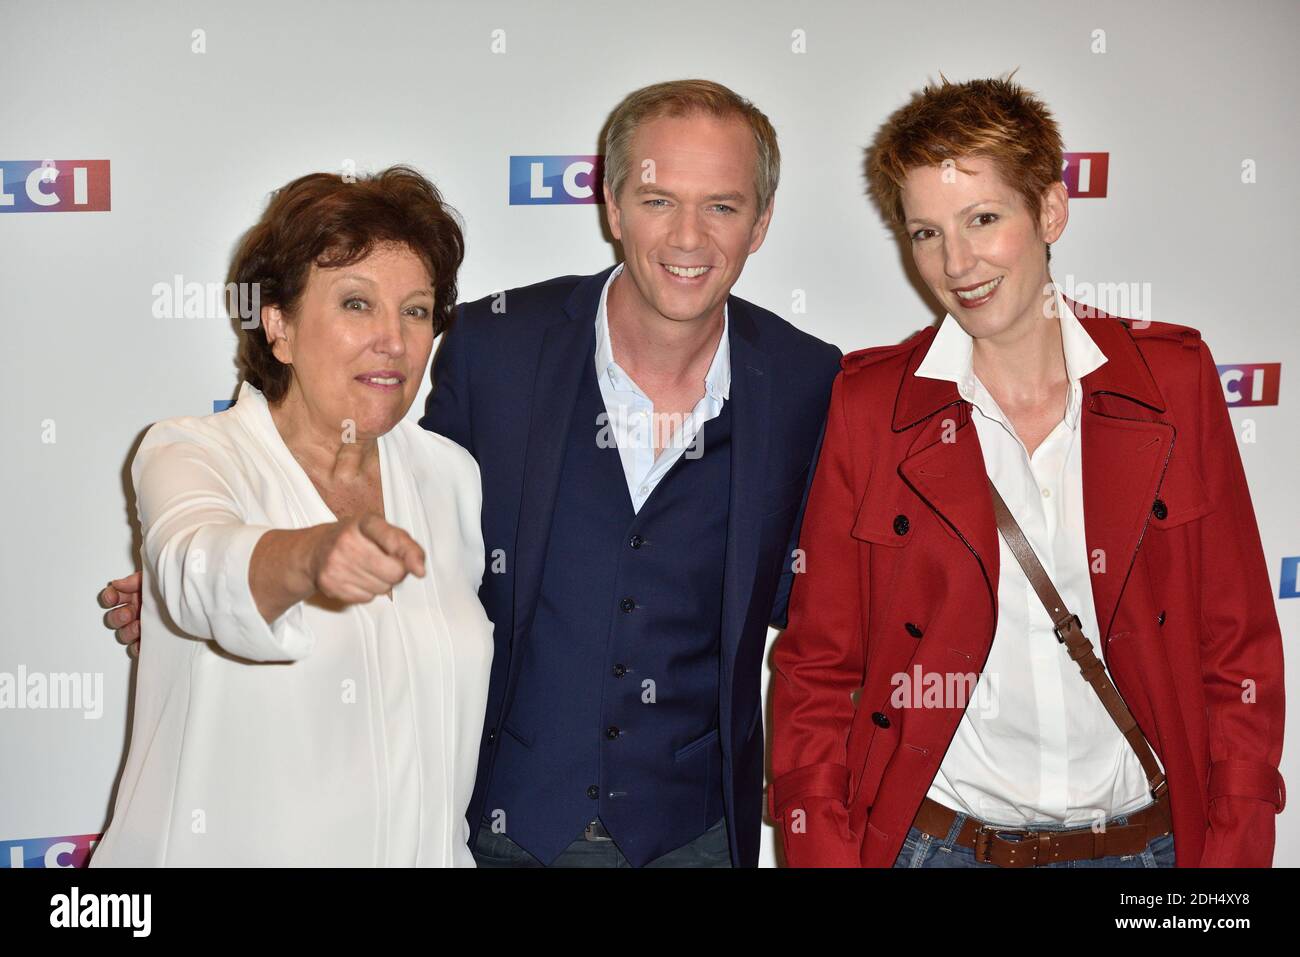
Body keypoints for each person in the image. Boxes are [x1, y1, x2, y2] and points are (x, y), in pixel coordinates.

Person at [111, 79, 842, 867]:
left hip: (691, 836)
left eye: (723, 206)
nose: (689, 236)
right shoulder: (499, 350)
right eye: (660, 199)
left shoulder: (806, 382)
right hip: (504, 830)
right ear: (613, 205)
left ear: (761, 221)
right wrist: (223, 584)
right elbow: (208, 561)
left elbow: (830, 602)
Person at [769, 75, 1286, 868]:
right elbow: (818, 664)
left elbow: (1237, 641)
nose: (957, 262)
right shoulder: (873, 406)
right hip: (938, 848)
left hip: (1146, 851)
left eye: (983, 219)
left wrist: (1235, 851)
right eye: (926, 233)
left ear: (1049, 210)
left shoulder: (1171, 382)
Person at [91, 166, 494, 866]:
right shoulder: (191, 450)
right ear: (278, 326)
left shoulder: (449, 476)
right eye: (357, 304)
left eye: (418, 310)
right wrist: (311, 556)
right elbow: (198, 568)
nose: (394, 341)